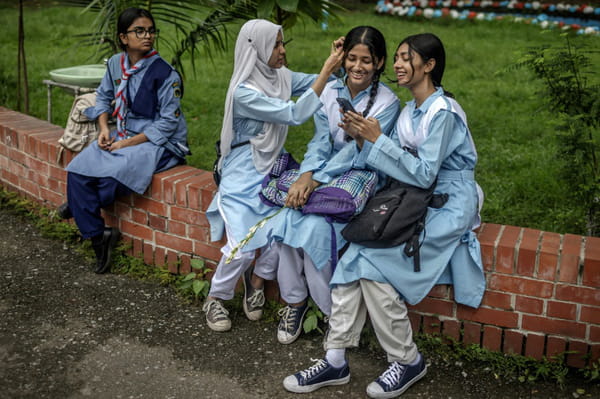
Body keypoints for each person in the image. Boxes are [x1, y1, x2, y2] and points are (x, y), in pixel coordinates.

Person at [283, 33, 486, 398]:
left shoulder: (444, 113)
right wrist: (367, 141)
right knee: (354, 254)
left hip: (448, 202)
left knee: (374, 270)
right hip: (412, 196)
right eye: (396, 57)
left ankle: (408, 360)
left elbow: (425, 172)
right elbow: (402, 169)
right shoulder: (411, 110)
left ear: (429, 65)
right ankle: (335, 357)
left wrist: (376, 139)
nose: (398, 64)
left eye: (407, 58)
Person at [245, 26, 400, 345]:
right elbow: (319, 141)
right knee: (288, 217)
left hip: (362, 175)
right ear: (342, 59)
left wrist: (314, 178)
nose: (358, 67)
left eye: (367, 61)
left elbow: (360, 156)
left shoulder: (388, 103)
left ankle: (335, 314)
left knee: (315, 228)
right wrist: (307, 174)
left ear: (380, 62)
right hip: (323, 173)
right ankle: (295, 302)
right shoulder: (329, 91)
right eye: (352, 59)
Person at [203, 19, 345, 332]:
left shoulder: (278, 77)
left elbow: (315, 84)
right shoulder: (244, 93)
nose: (282, 51)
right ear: (258, 48)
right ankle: (216, 297)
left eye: (283, 44)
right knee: (242, 245)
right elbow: (295, 114)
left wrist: (343, 65)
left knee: (276, 238)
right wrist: (326, 70)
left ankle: (255, 282)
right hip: (242, 174)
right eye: (276, 45)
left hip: (272, 170)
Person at [57, 7, 188, 274]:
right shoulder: (116, 63)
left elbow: (167, 123)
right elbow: (104, 96)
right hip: (122, 135)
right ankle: (100, 237)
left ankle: (79, 206)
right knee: (78, 171)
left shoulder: (166, 75)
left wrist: (124, 145)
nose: (147, 36)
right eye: (139, 31)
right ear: (123, 37)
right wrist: (104, 129)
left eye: (151, 31)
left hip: (157, 142)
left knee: (110, 180)